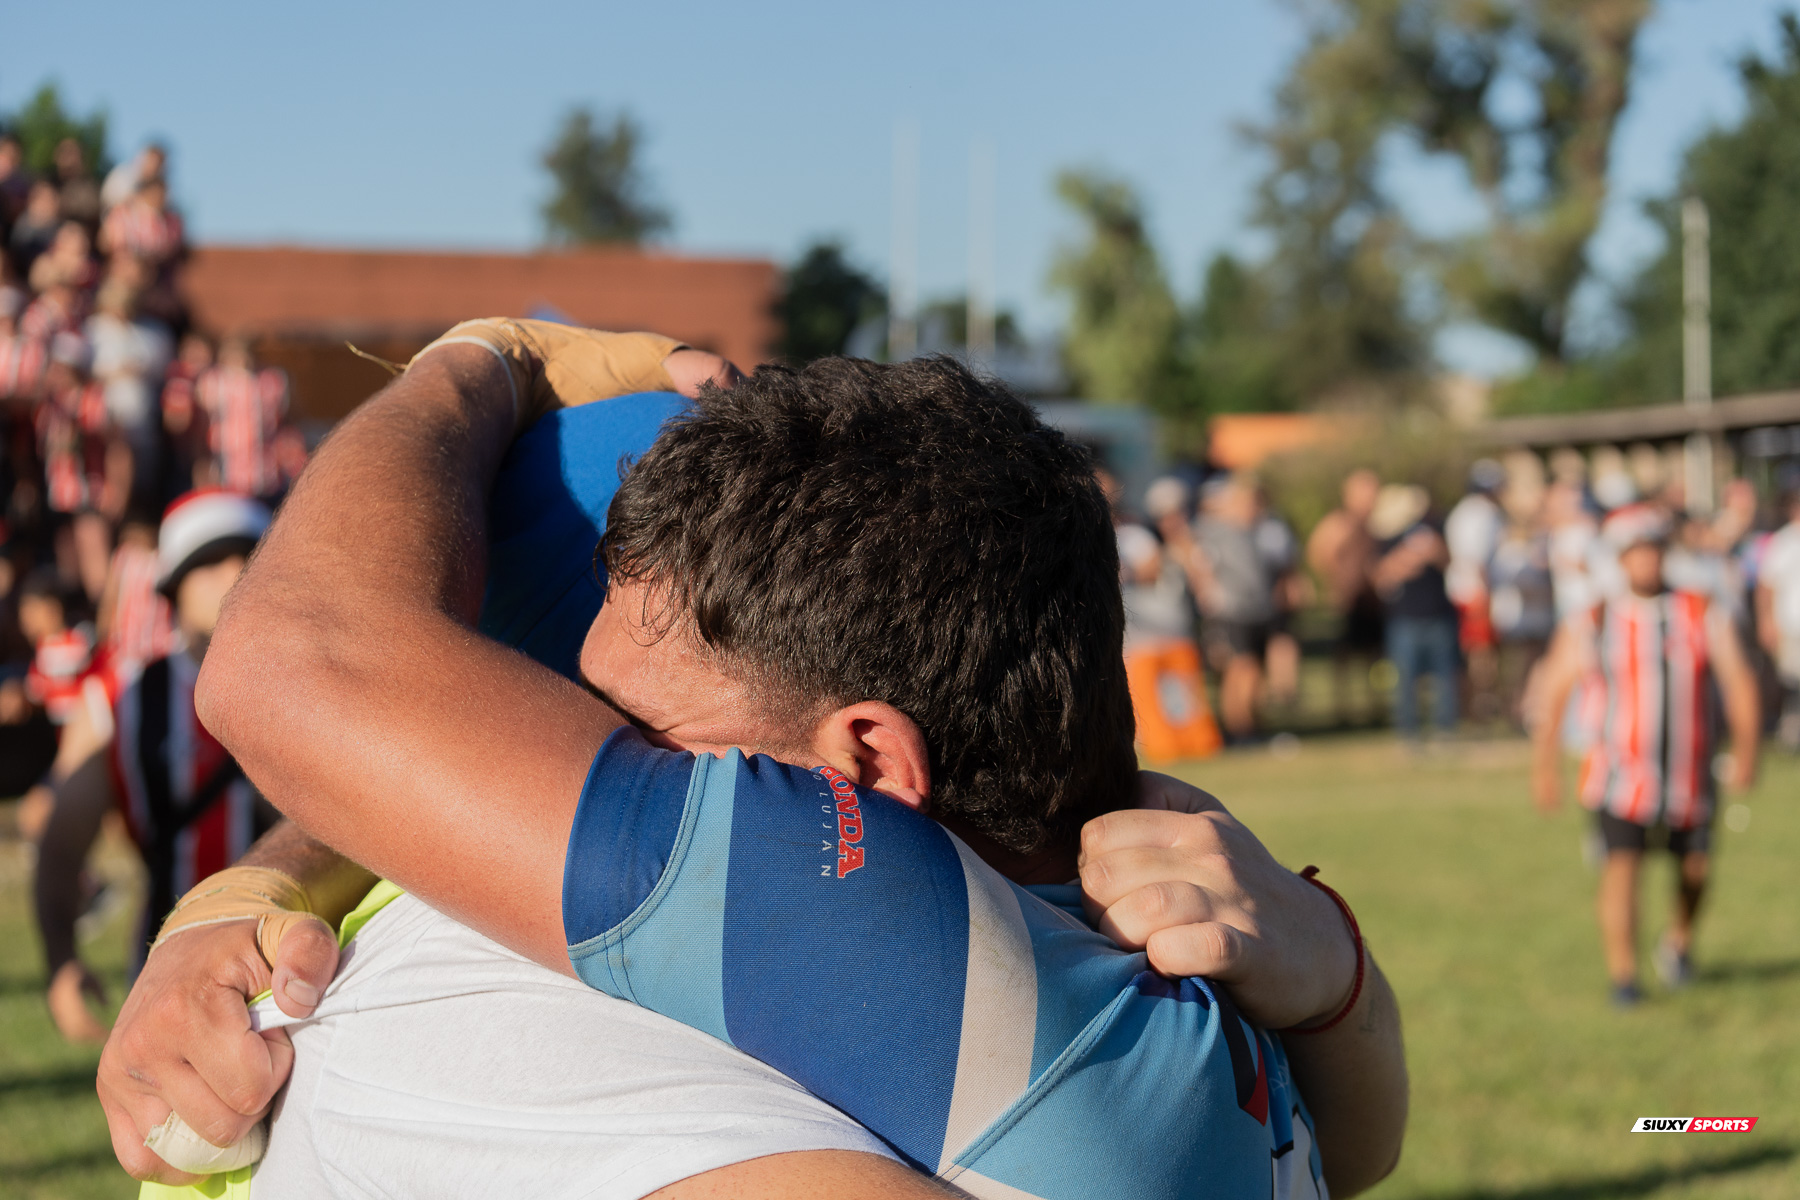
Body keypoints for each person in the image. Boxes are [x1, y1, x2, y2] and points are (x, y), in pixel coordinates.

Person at [109, 327, 1405, 1198]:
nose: (589, 758)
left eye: (630, 737)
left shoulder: (838, 916)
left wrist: (480, 362)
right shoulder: (1180, 949)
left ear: (865, 765)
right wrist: (1341, 986)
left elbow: (290, 672)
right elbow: (1356, 1147)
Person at [34, 489, 277, 1042]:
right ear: (174, 587)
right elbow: (61, 844)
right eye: (210, 564)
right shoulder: (121, 699)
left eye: (249, 558)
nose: (234, 576)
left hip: (304, 966)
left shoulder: (317, 688)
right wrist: (61, 962)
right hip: (167, 979)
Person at [1530, 503, 1761, 1005]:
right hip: (1619, 774)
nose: (1646, 561)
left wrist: (1747, 751)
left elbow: (1739, 681)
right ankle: (1625, 977)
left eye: (1653, 550)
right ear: (1620, 559)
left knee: (1695, 867)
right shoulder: (1594, 618)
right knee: (1622, 868)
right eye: (1635, 552)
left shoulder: (1699, 610)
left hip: (1688, 770)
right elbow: (1554, 691)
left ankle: (1678, 941)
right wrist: (1544, 768)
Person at [1115, 474, 1221, 763]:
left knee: (1184, 697)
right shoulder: (1140, 539)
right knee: (1150, 698)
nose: (1172, 521)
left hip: (1176, 632)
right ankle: (1163, 748)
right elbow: (1146, 572)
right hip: (1143, 637)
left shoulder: (1192, 545)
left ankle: (1197, 745)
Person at [1187, 476, 1275, 743]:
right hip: (1232, 611)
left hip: (1257, 609)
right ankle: (1240, 730)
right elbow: (1197, 562)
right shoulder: (1213, 532)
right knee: (1240, 669)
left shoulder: (1253, 532)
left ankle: (1251, 726)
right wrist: (1207, 592)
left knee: (1254, 670)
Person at [1307, 468, 1384, 727]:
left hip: (1373, 601)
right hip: (1349, 602)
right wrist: (1336, 583)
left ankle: (1375, 705)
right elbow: (1318, 553)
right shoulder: (1338, 523)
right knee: (1345, 657)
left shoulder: (1376, 523)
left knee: (1374, 656)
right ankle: (1344, 707)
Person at [1445, 460, 1506, 722]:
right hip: (1475, 592)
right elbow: (1476, 560)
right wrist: (1486, 595)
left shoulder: (1465, 511)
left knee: (1476, 652)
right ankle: (1481, 706)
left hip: (1467, 589)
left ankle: (1477, 706)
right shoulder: (1481, 513)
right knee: (1481, 653)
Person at [1755, 486, 1800, 750]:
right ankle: (1792, 734)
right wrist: (1766, 621)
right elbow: (1766, 586)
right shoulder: (1783, 542)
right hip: (1792, 625)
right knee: (1793, 682)